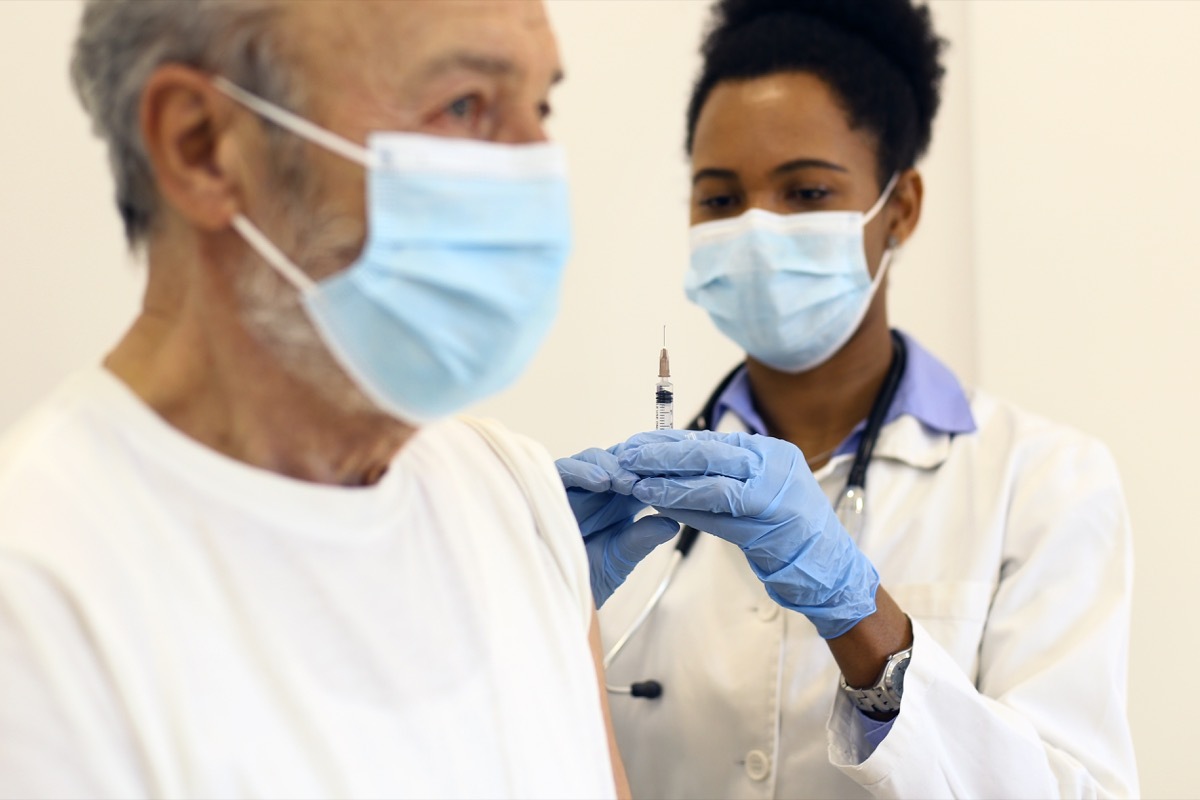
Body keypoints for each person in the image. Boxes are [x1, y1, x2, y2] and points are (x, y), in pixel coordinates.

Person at [0, 2, 628, 798]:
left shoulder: (514, 497)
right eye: (465, 106)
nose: (538, 171)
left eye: (539, 107)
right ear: (203, 147)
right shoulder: (37, 606)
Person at [556, 0, 1138, 797]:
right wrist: (523, 621)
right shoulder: (627, 506)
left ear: (899, 208)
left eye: (805, 193)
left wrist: (862, 620)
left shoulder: (1040, 482)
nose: (758, 230)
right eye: (721, 200)